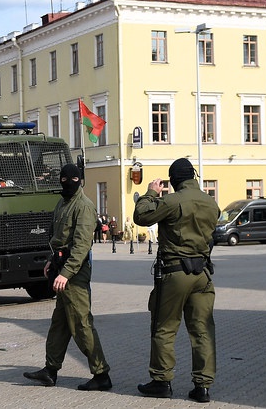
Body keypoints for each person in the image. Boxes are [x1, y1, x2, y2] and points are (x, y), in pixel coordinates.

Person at [133, 157, 221, 403]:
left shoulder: (171, 201)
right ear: (193, 177)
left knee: (165, 326)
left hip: (175, 273)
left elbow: (141, 216)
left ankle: (161, 381)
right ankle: (202, 387)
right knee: (202, 329)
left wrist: (151, 192)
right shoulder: (211, 203)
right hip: (202, 273)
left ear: (173, 180)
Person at [23, 163, 112, 391]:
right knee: (59, 325)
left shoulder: (84, 206)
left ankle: (101, 374)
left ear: (79, 181)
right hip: (61, 268)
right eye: (63, 180)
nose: (67, 184)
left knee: (82, 325)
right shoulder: (63, 203)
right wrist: (51, 262)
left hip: (75, 274)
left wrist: (65, 273)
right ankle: (50, 370)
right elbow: (58, 238)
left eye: (71, 180)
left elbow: (81, 247)